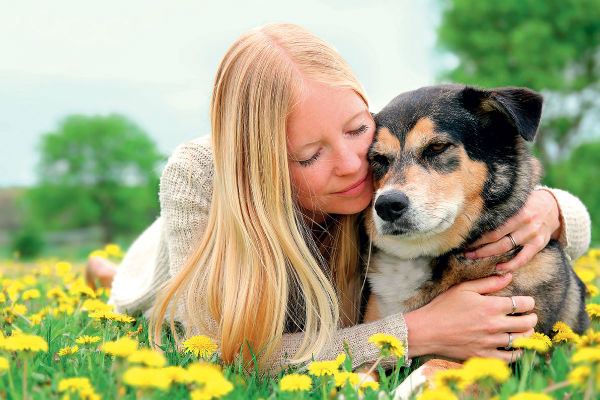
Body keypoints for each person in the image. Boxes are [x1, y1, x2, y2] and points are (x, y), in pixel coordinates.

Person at [88, 23, 591, 372]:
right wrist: (416, 332)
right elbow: (217, 350)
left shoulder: (383, 161)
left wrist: (553, 210)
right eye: (309, 156)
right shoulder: (200, 177)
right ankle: (105, 271)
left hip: (320, 309)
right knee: (140, 299)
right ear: (262, 164)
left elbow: (474, 174)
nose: (355, 167)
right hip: (178, 266)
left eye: (357, 130)